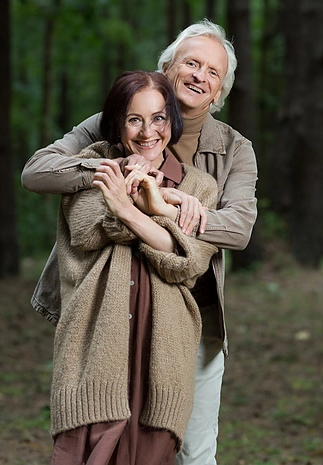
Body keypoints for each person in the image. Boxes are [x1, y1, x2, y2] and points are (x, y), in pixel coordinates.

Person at [22, 19, 258, 465]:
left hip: (192, 310)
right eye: (191, 63)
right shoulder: (112, 124)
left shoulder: (232, 149)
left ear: (219, 93)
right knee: (99, 438)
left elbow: (238, 229)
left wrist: (167, 205)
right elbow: (37, 172)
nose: (199, 76)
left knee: (192, 451)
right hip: (108, 307)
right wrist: (114, 173)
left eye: (213, 72)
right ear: (167, 68)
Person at [49, 70, 219, 464]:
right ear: (116, 123)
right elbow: (86, 231)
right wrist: (159, 214)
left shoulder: (199, 187)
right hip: (92, 350)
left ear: (172, 120)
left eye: (158, 118)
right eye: (134, 119)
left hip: (163, 356)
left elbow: (188, 263)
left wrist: (130, 209)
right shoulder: (93, 166)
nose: (148, 132)